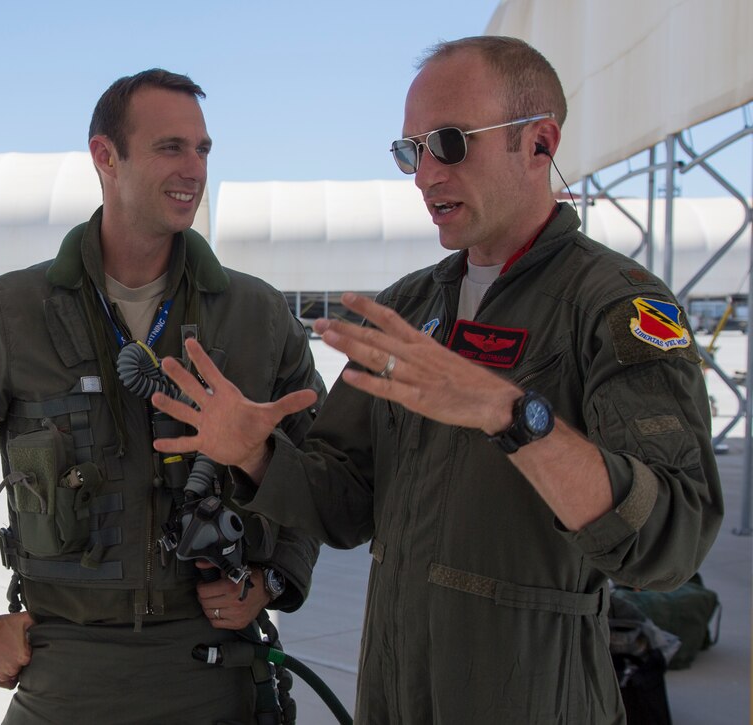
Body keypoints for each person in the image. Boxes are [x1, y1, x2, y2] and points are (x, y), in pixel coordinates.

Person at [152, 37, 724, 724]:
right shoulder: (406, 308)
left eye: (449, 143)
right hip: (397, 694)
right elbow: (346, 506)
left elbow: (671, 539)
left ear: (539, 143)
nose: (424, 175)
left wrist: (512, 414)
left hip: (535, 698)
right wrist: (258, 452)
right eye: (410, 150)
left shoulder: (617, 308)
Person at [0, 68, 324, 724]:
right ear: (104, 157)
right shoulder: (12, 314)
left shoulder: (255, 316)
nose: (194, 169)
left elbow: (324, 463)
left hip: (214, 663)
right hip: (65, 665)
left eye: (203, 150)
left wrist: (276, 575)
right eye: (171, 147)